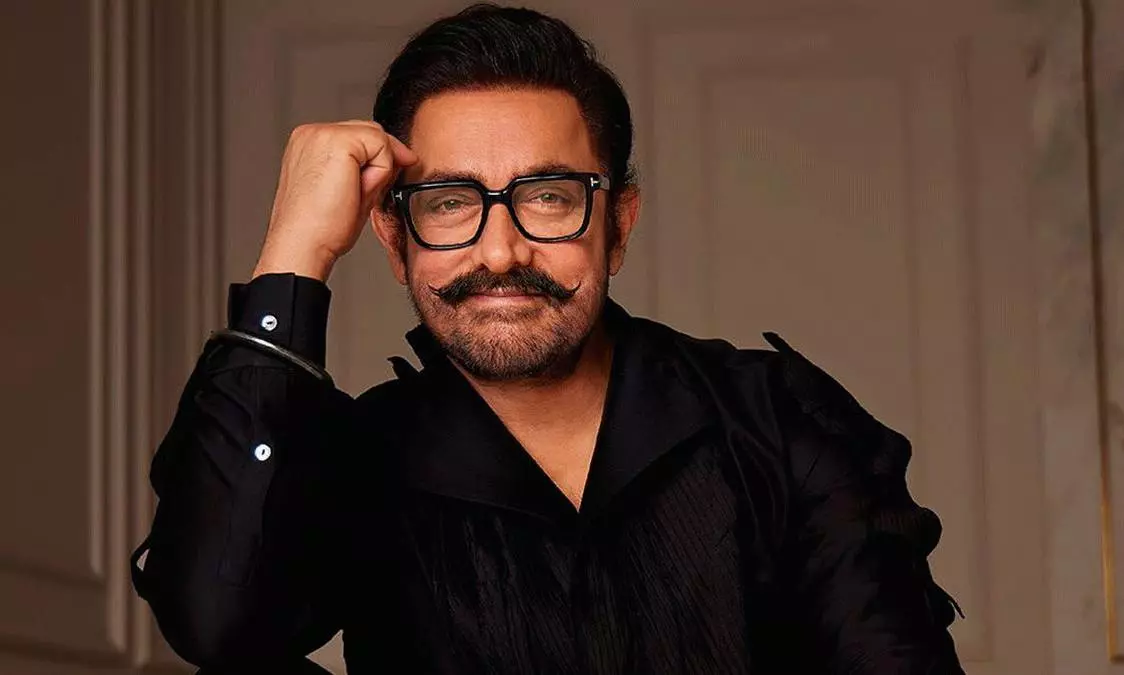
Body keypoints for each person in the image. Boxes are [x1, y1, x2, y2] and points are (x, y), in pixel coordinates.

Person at [130, 4, 965, 673]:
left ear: (618, 225)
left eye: (549, 197)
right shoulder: (356, 459)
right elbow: (217, 622)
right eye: (449, 203)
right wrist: (293, 256)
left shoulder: (779, 422)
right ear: (394, 239)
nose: (501, 252)